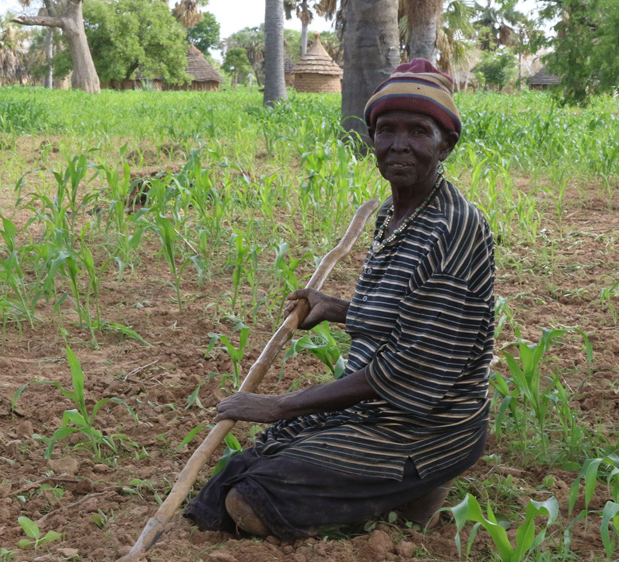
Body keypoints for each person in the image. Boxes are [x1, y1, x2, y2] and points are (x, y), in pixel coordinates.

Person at [184, 58, 496, 540]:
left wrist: (280, 405)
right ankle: (395, 489)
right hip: (373, 409)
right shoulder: (395, 212)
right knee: (226, 484)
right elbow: (408, 319)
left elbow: (413, 366)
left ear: (446, 142)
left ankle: (418, 484)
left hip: (424, 424)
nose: (399, 144)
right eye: (386, 130)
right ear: (371, 138)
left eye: (418, 130)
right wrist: (336, 308)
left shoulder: (453, 228)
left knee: (255, 500)